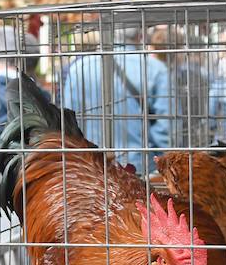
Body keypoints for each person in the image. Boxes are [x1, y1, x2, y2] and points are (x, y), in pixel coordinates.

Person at [59, 24, 170, 172]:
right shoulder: (155, 69)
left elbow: (67, 123)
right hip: (138, 169)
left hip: (88, 169)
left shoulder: (78, 69)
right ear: (140, 35)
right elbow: (166, 129)